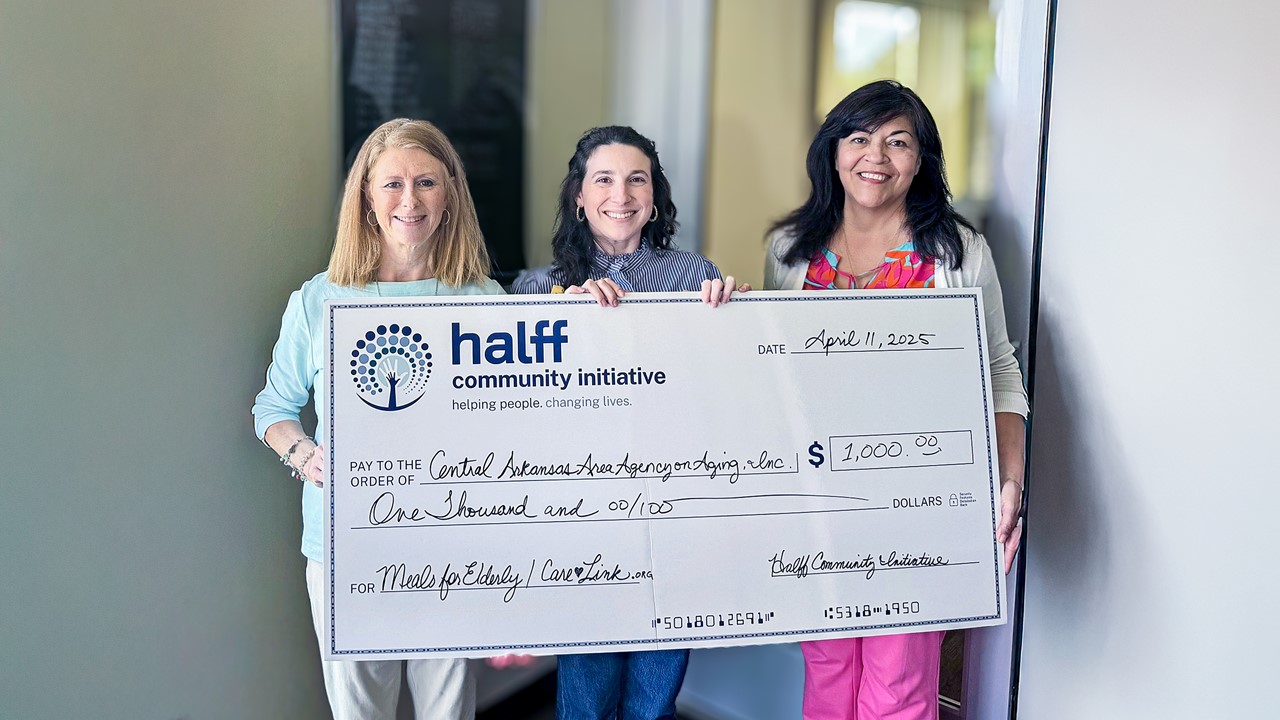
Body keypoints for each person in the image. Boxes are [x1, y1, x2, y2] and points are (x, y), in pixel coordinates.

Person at [764, 80, 1029, 720]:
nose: (875, 156)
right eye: (859, 138)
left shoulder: (956, 252)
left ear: (921, 160)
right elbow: (772, 374)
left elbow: (998, 370)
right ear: (833, 152)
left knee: (899, 683)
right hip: (818, 498)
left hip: (919, 495)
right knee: (828, 670)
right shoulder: (789, 251)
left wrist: (1010, 478)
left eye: (898, 142)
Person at [252, 118, 501, 720]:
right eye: (392, 184)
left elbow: (511, 423)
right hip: (347, 544)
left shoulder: (484, 301)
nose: (409, 200)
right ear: (366, 197)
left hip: (450, 545)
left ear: (450, 193)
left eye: (426, 182)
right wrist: (304, 455)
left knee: (448, 711)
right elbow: (273, 409)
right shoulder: (319, 299)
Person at [513, 125, 743, 719]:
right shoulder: (536, 289)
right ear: (579, 196)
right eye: (604, 179)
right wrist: (557, 321)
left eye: (637, 179)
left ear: (655, 195)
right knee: (586, 700)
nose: (621, 194)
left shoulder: (696, 278)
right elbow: (517, 417)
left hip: (672, 515)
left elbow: (724, 396)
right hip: (584, 520)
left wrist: (735, 323)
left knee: (654, 700)